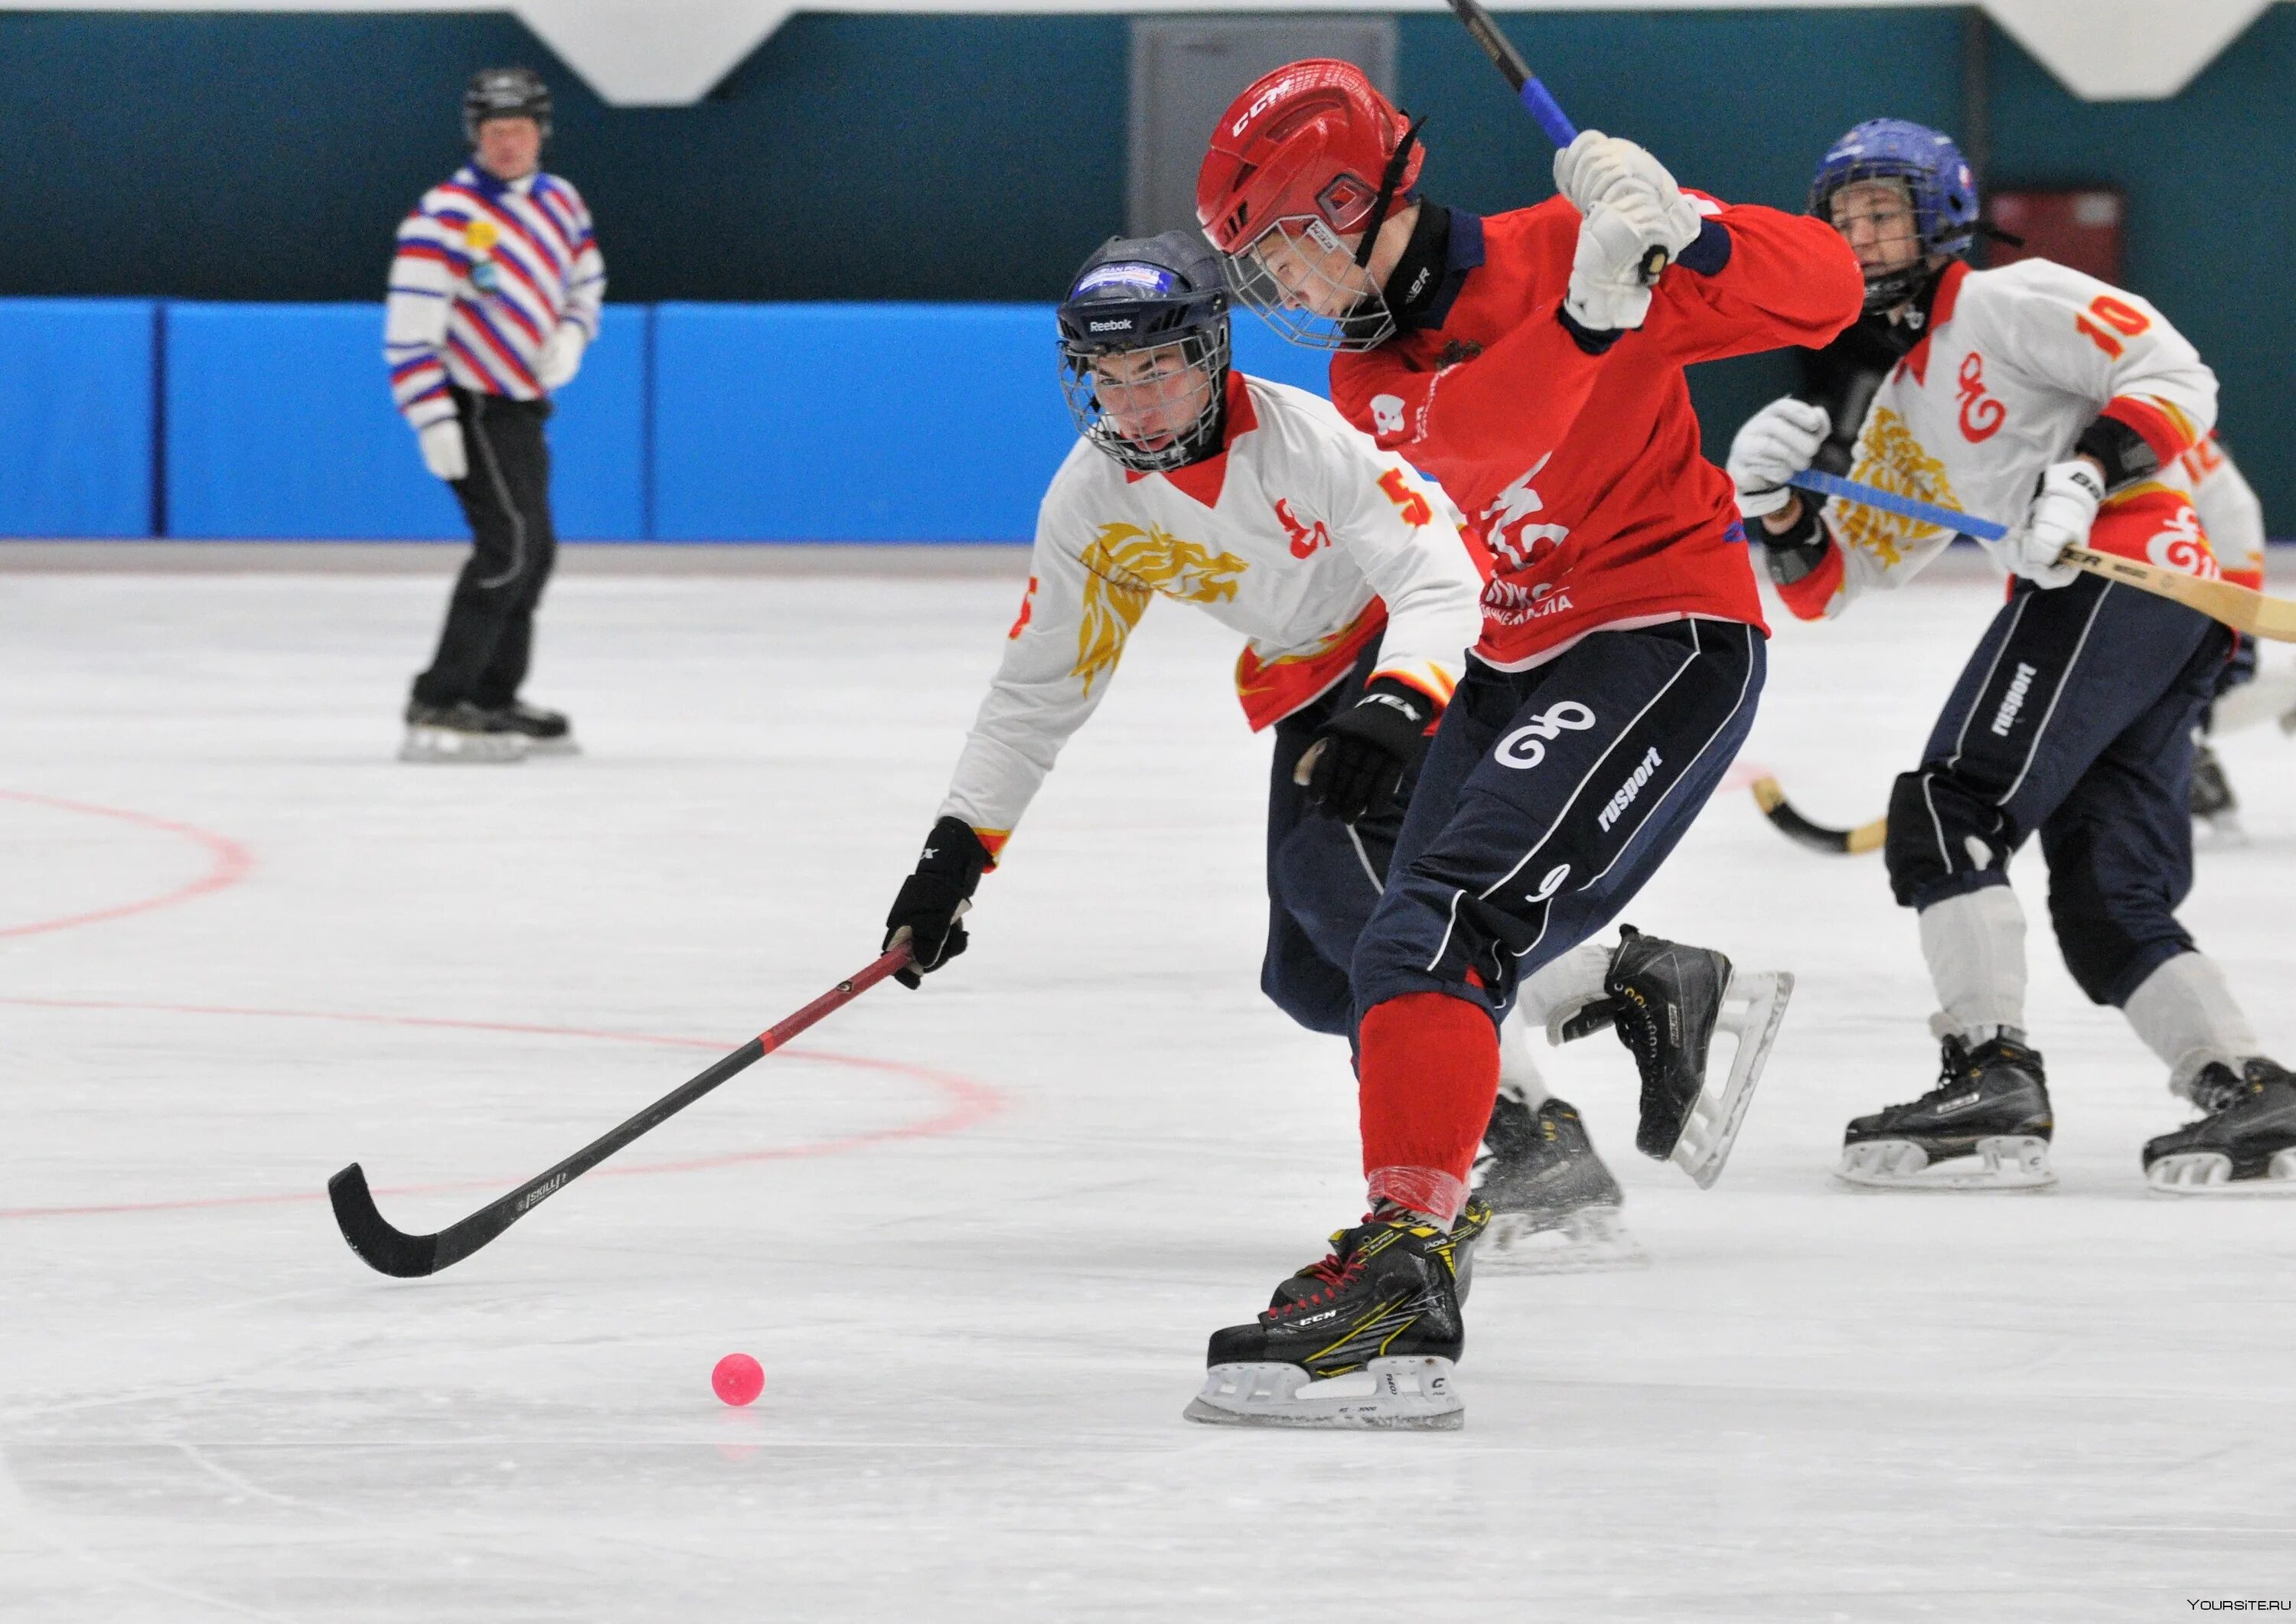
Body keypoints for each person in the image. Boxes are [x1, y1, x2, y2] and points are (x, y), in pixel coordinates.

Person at [1182, 60, 1864, 1428]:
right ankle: (1633, 1007)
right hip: (1507, 657)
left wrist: (1691, 233)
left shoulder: (1576, 241)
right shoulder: (1385, 366)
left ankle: (1406, 1263)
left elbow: (1831, 289)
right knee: (1344, 964)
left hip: (1658, 636)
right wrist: (1593, 317)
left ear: (1343, 201)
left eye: (1280, 255)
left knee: (1430, 930)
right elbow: (1470, 457)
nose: (1285, 294)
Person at [879, 230, 1642, 1264]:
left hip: (1419, 662)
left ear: (1211, 352)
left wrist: (1399, 699)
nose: (1136, 403)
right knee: (1312, 982)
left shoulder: (1306, 442)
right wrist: (957, 850)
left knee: (1339, 881)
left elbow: (1442, 571)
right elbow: (1038, 690)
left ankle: (1521, 1132)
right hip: (1315, 684)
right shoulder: (1094, 502)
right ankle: (1618, 979)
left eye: (1157, 368)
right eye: (1110, 377)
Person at [1726, 118, 2294, 1196]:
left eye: (1884, 212)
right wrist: (1777, 507)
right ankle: (2253, 1085)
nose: (1862, 237)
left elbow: (2175, 374)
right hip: (2142, 611)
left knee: (1948, 806)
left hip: (2128, 572)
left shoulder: (2006, 299)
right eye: (1843, 220)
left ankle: (1990, 1069)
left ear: (1941, 215)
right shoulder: (1898, 402)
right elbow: (1833, 583)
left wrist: (2086, 471)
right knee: (2106, 894)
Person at [384, 67, 604, 762]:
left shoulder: (561, 203)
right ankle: (442, 697)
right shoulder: (442, 215)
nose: (508, 143)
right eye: (494, 130)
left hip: (521, 407)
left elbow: (586, 280)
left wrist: (572, 334)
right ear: (475, 135)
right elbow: (410, 326)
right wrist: (431, 416)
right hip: (469, 402)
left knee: (534, 553)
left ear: (541, 131)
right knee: (506, 548)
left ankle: (492, 694)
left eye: (520, 129)